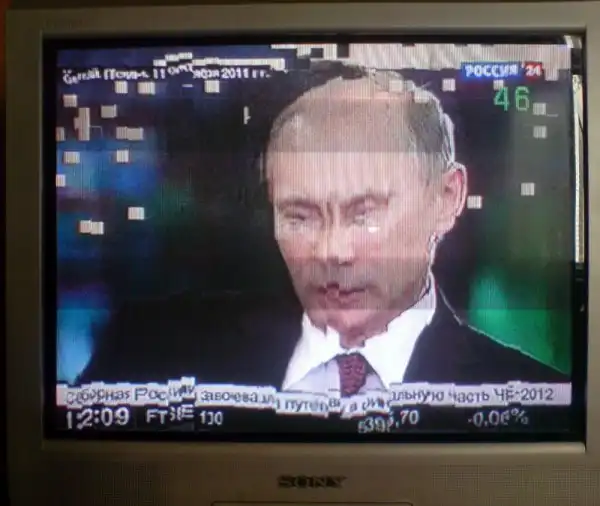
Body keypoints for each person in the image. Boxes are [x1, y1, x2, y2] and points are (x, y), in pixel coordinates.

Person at [77, 63, 568, 395]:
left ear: (446, 199)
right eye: (300, 216)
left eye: (364, 213)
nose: (332, 251)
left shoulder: (530, 394)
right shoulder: (143, 352)